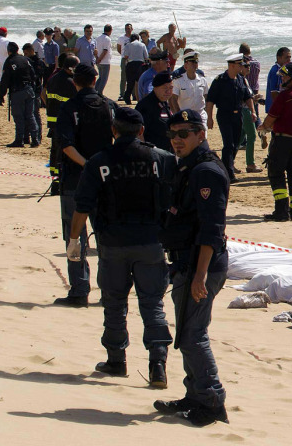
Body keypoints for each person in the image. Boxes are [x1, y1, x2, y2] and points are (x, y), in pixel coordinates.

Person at [66, 106, 175, 387]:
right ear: (141, 131)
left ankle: (116, 359)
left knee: (114, 304)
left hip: (112, 244)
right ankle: (158, 364)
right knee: (153, 303)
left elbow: (82, 207)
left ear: (113, 131)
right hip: (151, 242)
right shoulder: (160, 159)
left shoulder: (98, 162)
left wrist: (74, 240)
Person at [154, 109, 230, 426]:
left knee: (192, 335)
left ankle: (212, 402)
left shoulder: (206, 172)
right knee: (187, 332)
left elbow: (211, 229)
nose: (176, 140)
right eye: (173, 134)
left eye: (184, 133)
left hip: (203, 266)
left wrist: (199, 274)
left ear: (201, 134)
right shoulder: (190, 167)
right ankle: (194, 395)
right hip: (186, 262)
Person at [53, 63, 116, 306]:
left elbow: (66, 145)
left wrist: (86, 165)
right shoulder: (108, 105)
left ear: (75, 82)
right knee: (105, 238)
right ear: (95, 80)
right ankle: (109, 291)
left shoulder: (70, 107)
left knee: (75, 236)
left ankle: (79, 290)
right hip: (105, 178)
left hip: (75, 180)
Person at [259, 63, 292, 221]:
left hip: (283, 140)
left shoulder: (285, 96)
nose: (282, 77)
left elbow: (270, 120)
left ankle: (281, 211)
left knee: (276, 174)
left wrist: (262, 128)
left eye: (284, 75)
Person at [206, 53, 255, 182]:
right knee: (228, 144)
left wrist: (253, 112)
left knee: (235, 145)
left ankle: (226, 166)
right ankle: (229, 173)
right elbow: (210, 100)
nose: (242, 67)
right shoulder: (219, 81)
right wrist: (209, 118)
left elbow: (247, 97)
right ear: (232, 65)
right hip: (224, 115)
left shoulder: (240, 79)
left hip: (238, 115)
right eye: (240, 65)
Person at [0, 41, 39, 148]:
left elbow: (5, 79)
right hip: (29, 90)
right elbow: (34, 76)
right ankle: (35, 139)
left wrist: (1, 95)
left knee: (19, 116)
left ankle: (19, 140)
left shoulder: (10, 61)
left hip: (17, 91)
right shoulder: (26, 60)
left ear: (9, 51)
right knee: (30, 115)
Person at [45, 54, 79, 174]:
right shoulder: (71, 83)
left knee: (55, 149)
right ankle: (60, 175)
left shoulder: (53, 78)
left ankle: (54, 175)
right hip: (64, 121)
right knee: (63, 149)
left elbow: (45, 96)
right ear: (71, 68)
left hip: (52, 120)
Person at [236, 48, 262, 174]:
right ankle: (250, 164)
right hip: (245, 111)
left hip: (246, 110)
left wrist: (254, 99)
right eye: (246, 66)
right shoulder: (239, 79)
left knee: (239, 138)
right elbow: (242, 98)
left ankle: (230, 162)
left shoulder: (244, 79)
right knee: (251, 136)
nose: (248, 68)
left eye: (249, 65)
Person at [136, 72, 175, 151]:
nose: (168, 92)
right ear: (155, 88)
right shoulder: (146, 106)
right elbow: (139, 133)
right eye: (165, 88)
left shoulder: (164, 103)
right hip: (153, 153)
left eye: (171, 88)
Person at [171, 51, 209, 125]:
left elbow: (206, 97)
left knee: (202, 136)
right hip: (185, 116)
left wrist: (207, 113)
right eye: (192, 62)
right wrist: (178, 115)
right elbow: (173, 100)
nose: (195, 65)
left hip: (200, 115)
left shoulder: (202, 80)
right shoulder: (178, 81)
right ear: (186, 65)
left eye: (196, 62)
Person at [23, 43, 48, 144]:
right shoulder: (26, 61)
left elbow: (40, 77)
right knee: (27, 114)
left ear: (31, 51)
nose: (25, 55)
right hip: (29, 90)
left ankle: (37, 136)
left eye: (26, 53)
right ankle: (27, 136)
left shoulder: (38, 62)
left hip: (36, 90)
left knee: (35, 114)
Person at [122, 29, 150, 104]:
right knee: (139, 82)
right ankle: (139, 98)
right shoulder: (142, 45)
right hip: (140, 65)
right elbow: (146, 56)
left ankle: (127, 97)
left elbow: (125, 56)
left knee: (130, 82)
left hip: (130, 64)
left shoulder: (128, 45)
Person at [264, 46, 290, 113]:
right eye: (286, 57)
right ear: (279, 58)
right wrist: (278, 108)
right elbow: (274, 92)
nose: (289, 60)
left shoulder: (283, 70)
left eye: (290, 57)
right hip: (274, 108)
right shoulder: (275, 71)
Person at [94, 24, 113, 95]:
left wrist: (97, 58)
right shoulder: (107, 39)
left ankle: (96, 90)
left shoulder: (98, 38)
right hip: (105, 61)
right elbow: (105, 50)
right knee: (104, 79)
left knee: (101, 77)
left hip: (99, 60)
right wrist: (99, 59)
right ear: (110, 31)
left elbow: (95, 49)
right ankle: (99, 92)